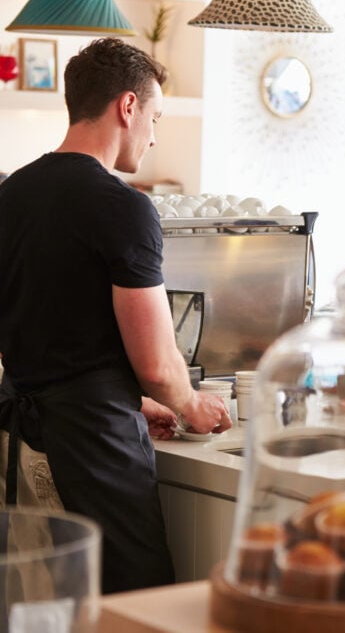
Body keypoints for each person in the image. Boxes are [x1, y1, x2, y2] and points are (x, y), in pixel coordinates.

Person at [0, 38, 232, 594]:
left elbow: (49, 328)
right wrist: (189, 404)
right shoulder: (123, 206)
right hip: (90, 449)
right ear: (127, 107)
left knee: (42, 604)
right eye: (154, 117)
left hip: (18, 436)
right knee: (138, 603)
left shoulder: (11, 194)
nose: (153, 135)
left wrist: (128, 399)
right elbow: (156, 361)